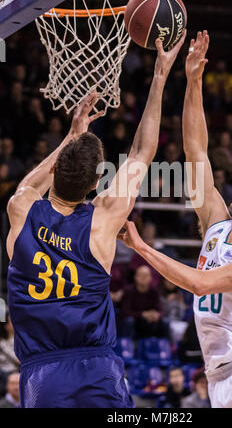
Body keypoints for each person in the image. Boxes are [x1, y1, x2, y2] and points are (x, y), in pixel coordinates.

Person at [118, 31, 232, 408]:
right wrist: (194, 80)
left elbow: (201, 284)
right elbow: (196, 148)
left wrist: (139, 247)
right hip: (219, 375)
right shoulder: (217, 224)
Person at [6, 34, 185, 408]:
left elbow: (28, 185)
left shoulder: (21, 208)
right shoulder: (102, 219)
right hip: (96, 366)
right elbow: (142, 152)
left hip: (41, 374)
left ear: (53, 170)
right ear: (94, 185)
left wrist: (73, 134)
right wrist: (160, 73)